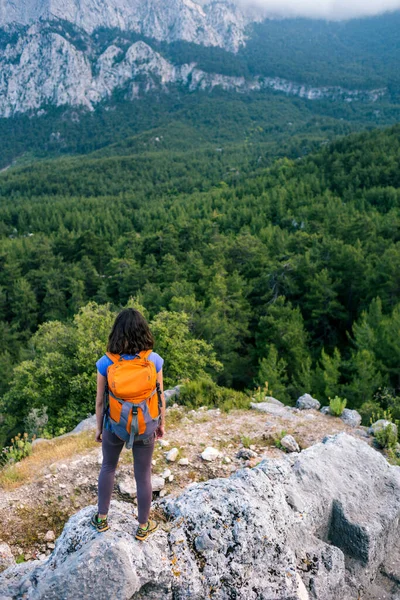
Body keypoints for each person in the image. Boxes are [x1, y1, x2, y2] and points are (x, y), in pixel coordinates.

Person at [90, 308, 166, 541]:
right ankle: (143, 526)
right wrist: (160, 423)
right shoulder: (153, 360)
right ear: (143, 331)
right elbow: (160, 396)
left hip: (115, 426)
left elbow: (101, 400)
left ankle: (102, 519)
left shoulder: (106, 362)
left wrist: (100, 429)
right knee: (143, 475)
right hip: (146, 425)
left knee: (108, 468)